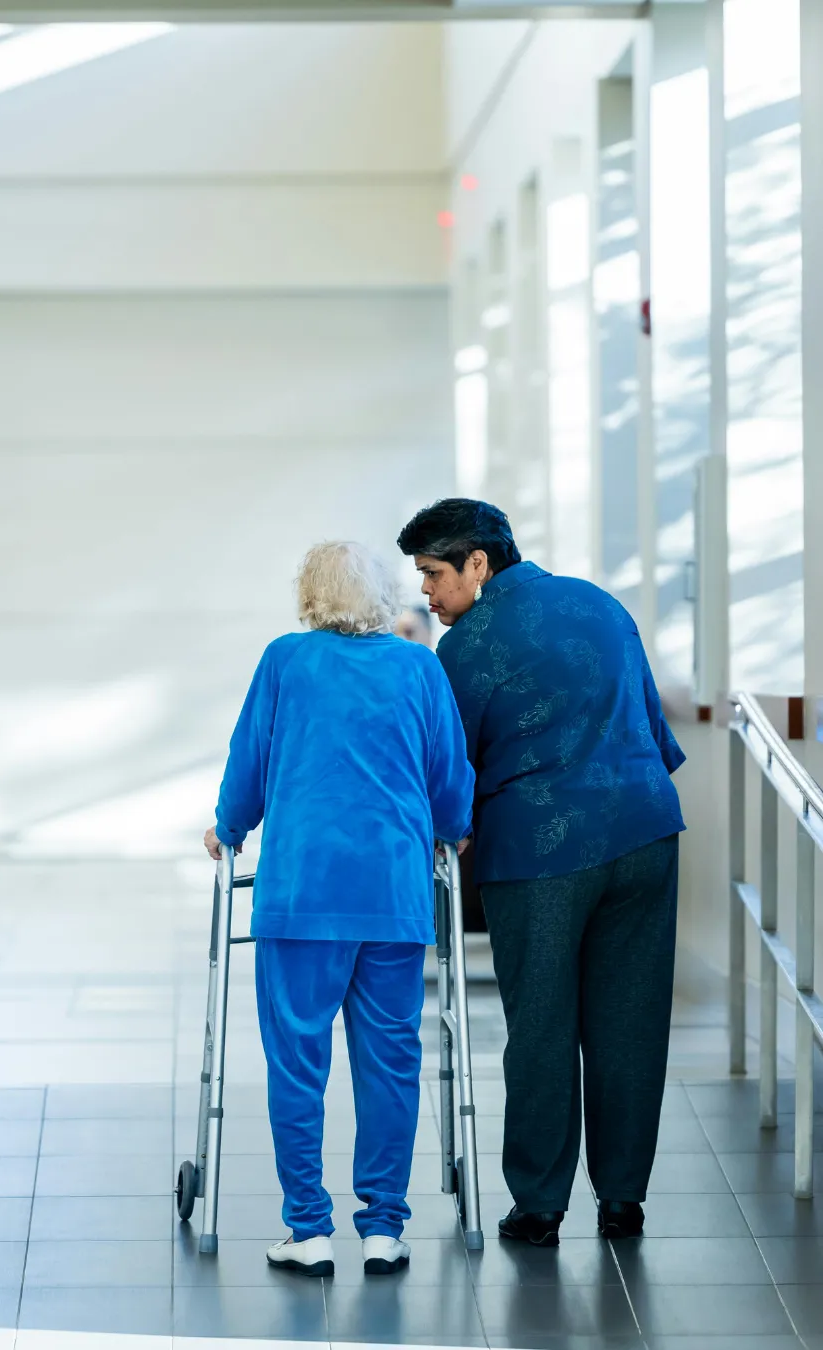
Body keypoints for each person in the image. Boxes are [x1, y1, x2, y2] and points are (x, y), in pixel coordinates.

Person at [397, 499, 685, 1248]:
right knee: (630, 1022)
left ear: (478, 564)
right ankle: (624, 1202)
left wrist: (445, 833)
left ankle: (540, 1205)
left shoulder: (464, 648)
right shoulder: (599, 603)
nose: (427, 594)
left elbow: (449, 771)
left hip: (540, 853)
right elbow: (655, 730)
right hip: (647, 831)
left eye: (433, 575)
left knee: (542, 1029)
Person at [203, 541, 474, 1278]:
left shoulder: (286, 661)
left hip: (303, 895)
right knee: (390, 1061)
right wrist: (451, 827)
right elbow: (449, 778)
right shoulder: (418, 666)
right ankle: (384, 1228)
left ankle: (309, 1230)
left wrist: (226, 830)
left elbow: (248, 764)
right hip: (391, 893)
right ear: (385, 595)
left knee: (297, 1063)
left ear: (310, 595)